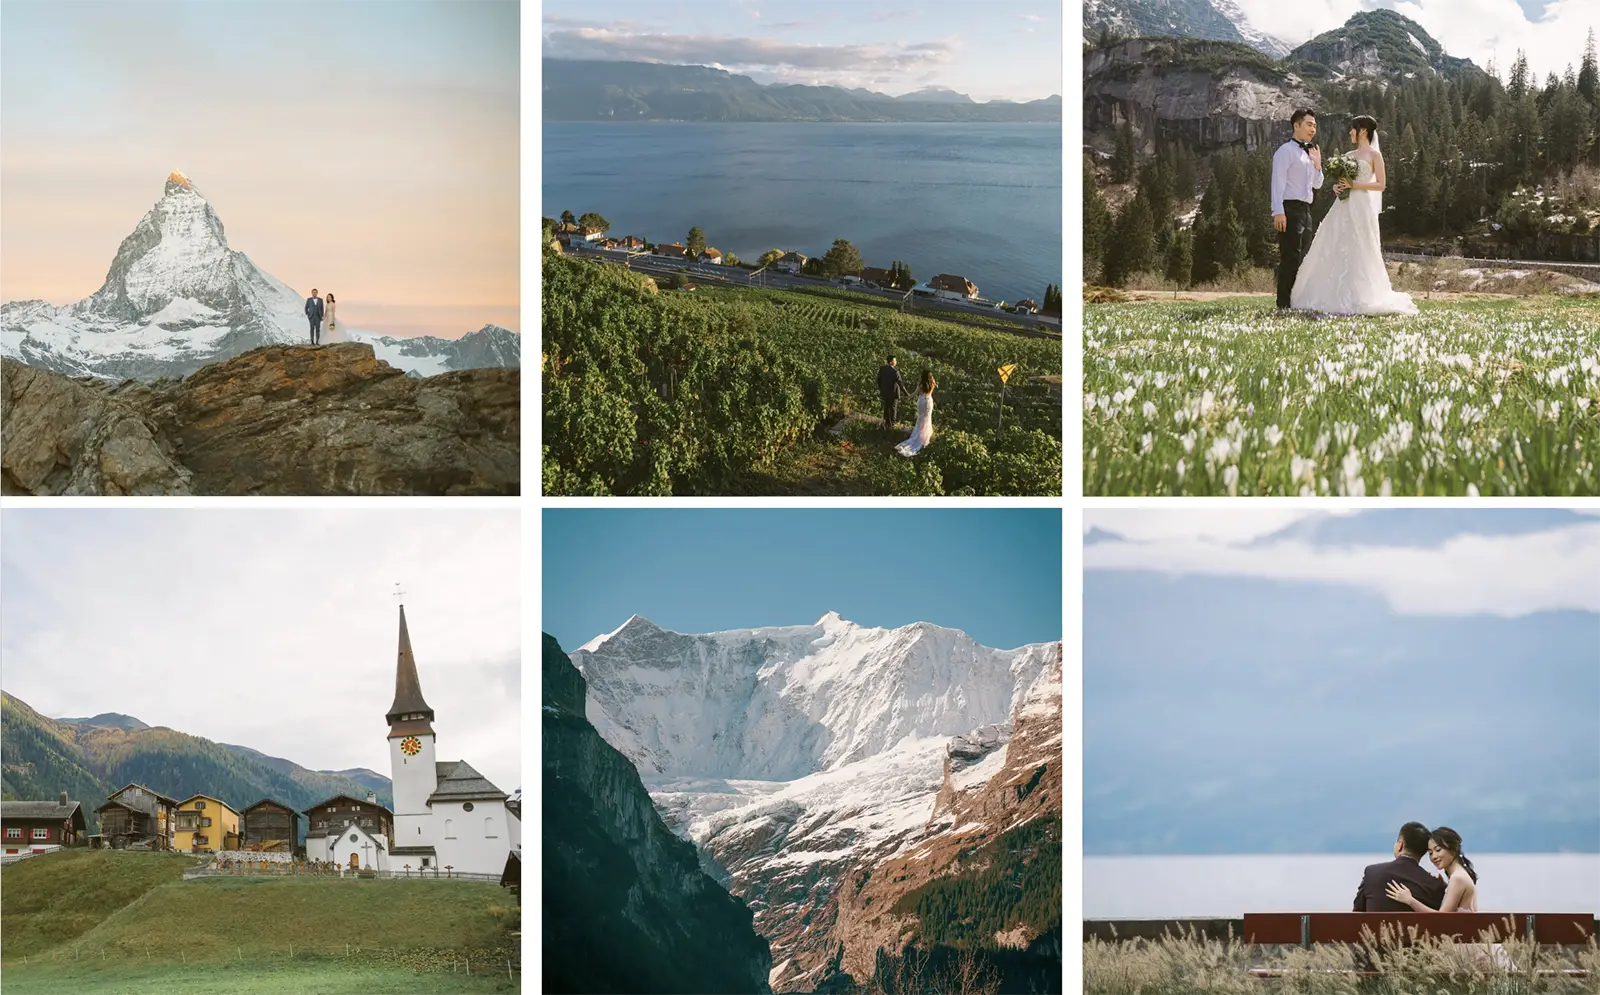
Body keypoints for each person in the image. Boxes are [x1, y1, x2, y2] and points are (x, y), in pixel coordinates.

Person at [1290, 115, 1418, 315]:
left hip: (1362, 205)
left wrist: (1354, 185)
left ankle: (1362, 294)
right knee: (1335, 242)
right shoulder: (1348, 154)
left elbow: (1381, 185)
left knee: (1361, 244)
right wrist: (1338, 186)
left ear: (1363, 130)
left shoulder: (1375, 156)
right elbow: (1343, 181)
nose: (1350, 132)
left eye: (1353, 129)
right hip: (1343, 204)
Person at [1271, 108, 1324, 310]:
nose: (1313, 129)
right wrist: (1278, 211)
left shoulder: (1309, 153)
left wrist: (1317, 164)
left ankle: (1298, 301)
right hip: (1289, 208)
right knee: (1290, 257)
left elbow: (1317, 184)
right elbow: (1277, 183)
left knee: (1304, 257)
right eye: (1309, 124)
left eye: (1315, 126)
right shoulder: (1285, 151)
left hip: (1306, 211)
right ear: (1296, 125)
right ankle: (1283, 304)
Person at [1353, 821, 1447, 912]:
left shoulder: (1372, 873)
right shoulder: (1435, 885)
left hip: (1376, 928)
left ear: (1400, 844)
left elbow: (1357, 912)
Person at [1385, 826, 1478, 912]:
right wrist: (1446, 886)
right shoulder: (1460, 875)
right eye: (1430, 853)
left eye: (1438, 850)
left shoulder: (1457, 878)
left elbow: (1443, 918)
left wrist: (1410, 900)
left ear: (1453, 848)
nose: (1434, 857)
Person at [894, 369, 937, 457]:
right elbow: (932, 390)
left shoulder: (921, 384)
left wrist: (906, 396)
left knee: (921, 418)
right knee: (927, 418)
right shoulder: (932, 383)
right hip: (928, 400)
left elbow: (914, 394)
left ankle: (918, 434)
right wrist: (932, 380)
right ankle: (925, 435)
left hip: (921, 401)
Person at [876, 355, 909, 429]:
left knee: (886, 408)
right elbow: (900, 384)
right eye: (895, 360)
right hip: (893, 394)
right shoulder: (895, 372)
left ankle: (886, 423)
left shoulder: (882, 369)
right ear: (891, 362)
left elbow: (878, 380)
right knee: (893, 409)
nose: (896, 362)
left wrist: (881, 389)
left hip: (885, 393)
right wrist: (906, 393)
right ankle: (892, 425)